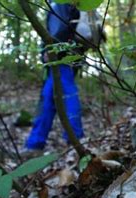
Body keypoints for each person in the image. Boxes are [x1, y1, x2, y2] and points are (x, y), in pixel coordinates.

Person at [25, 3, 84, 150]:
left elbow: (60, 27)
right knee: (49, 99)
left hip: (61, 58)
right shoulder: (66, 4)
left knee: (64, 97)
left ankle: (74, 138)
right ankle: (35, 142)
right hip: (65, 58)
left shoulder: (59, 3)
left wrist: (51, 50)